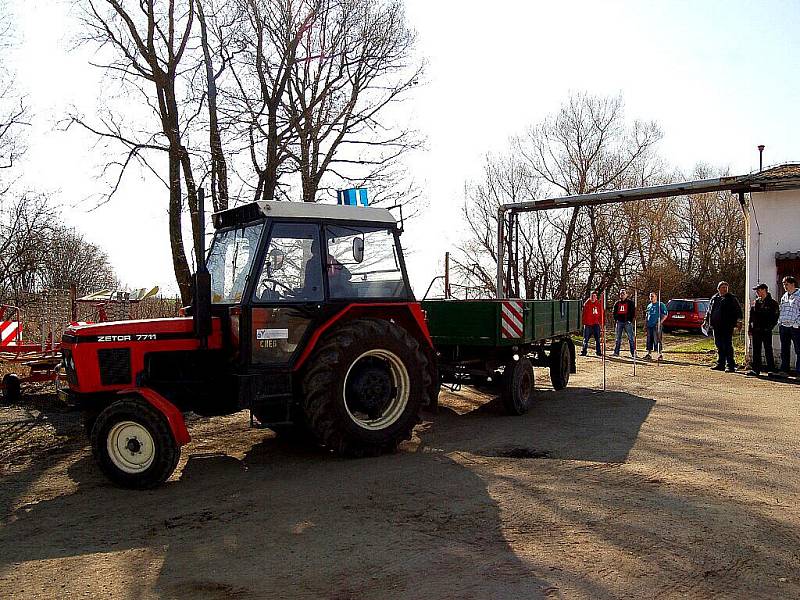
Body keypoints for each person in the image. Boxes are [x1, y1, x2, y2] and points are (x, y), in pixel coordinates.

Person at [704, 281, 743, 373]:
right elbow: (709, 311)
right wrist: (706, 321)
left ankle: (730, 365)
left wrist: (739, 321)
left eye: (726, 287)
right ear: (718, 289)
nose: (725, 289)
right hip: (716, 326)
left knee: (727, 345)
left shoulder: (731, 298)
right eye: (723, 287)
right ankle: (720, 364)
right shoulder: (714, 298)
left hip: (727, 325)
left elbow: (738, 310)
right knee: (719, 345)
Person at [746, 283, 779, 376]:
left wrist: (768, 328)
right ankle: (756, 369)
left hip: (766, 330)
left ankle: (771, 369)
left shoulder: (772, 303)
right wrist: (750, 328)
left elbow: (775, 317)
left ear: (764, 290)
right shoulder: (756, 302)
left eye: (758, 290)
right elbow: (751, 317)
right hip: (756, 330)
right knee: (756, 350)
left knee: (768, 349)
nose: (757, 292)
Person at [776, 275, 800, 377]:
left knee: (798, 349)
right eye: (783, 284)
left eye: (786, 284)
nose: (785, 286)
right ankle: (784, 370)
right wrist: (780, 322)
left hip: (795, 327)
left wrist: (797, 323)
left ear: (793, 284)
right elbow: (781, 309)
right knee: (784, 349)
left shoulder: (799, 295)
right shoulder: (784, 296)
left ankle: (799, 372)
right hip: (784, 326)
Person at [612, 288, 636, 357]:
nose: (622, 295)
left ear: (626, 295)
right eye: (621, 293)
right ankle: (616, 352)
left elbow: (633, 312)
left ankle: (633, 353)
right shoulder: (617, 303)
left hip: (627, 322)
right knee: (618, 338)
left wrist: (629, 320)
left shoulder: (630, 303)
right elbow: (614, 312)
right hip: (619, 322)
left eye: (623, 293)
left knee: (631, 338)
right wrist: (616, 319)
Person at [644, 292, 667, 360]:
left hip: (656, 325)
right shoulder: (649, 305)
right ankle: (648, 354)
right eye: (650, 296)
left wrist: (660, 322)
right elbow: (647, 315)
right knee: (649, 340)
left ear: (656, 297)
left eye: (652, 296)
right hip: (649, 325)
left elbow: (665, 315)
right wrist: (645, 325)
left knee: (657, 339)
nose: (651, 298)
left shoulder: (660, 304)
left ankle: (660, 354)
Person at [581, 291, 603, 356]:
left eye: (594, 296)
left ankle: (598, 352)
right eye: (592, 296)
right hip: (588, 324)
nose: (593, 297)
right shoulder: (587, 304)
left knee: (597, 339)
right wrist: (583, 322)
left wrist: (601, 323)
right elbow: (583, 314)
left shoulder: (598, 304)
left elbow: (601, 314)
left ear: (596, 297)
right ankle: (584, 351)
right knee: (586, 339)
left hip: (596, 324)